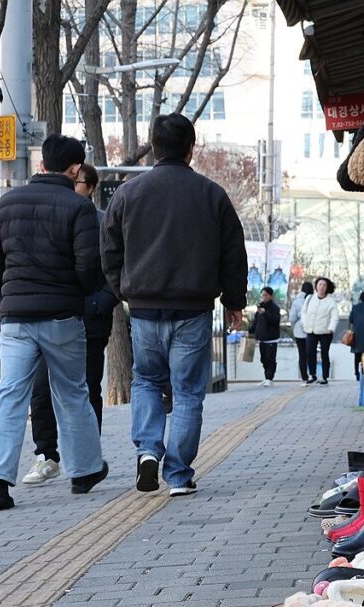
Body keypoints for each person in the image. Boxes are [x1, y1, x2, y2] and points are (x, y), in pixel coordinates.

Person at [101, 113, 246, 498]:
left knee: (146, 380)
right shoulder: (211, 194)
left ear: (153, 146)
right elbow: (234, 252)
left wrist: (123, 290)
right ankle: (178, 474)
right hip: (193, 308)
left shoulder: (128, 194)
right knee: (187, 391)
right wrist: (234, 302)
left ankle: (148, 450)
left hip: (145, 308)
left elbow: (109, 249)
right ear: (190, 148)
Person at [0, 135, 109, 510]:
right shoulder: (79, 208)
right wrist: (73, 292)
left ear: (41, 165)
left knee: (9, 395)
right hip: (61, 316)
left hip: (16, 317)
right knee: (71, 390)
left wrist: (12, 295)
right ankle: (85, 470)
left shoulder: (7, 203)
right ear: (74, 170)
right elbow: (89, 268)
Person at [22, 163, 119, 485]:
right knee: (41, 387)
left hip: (89, 318)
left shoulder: (102, 222)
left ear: (89, 187)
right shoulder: (52, 217)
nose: (70, 187)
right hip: (55, 314)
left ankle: (87, 458)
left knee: (87, 387)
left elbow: (115, 269)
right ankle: (46, 455)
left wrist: (98, 304)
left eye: (76, 183)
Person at [301, 277, 338, 385]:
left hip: (325, 332)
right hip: (311, 330)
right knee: (309, 352)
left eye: (324, 285)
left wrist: (331, 328)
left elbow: (334, 316)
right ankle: (312, 374)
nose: (321, 287)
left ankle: (325, 377)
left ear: (327, 288)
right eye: (320, 284)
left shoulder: (331, 302)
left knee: (324, 353)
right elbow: (304, 312)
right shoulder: (309, 298)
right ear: (316, 286)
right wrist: (305, 322)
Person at [250, 286, 280, 387]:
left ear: (270, 296)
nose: (263, 297)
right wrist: (250, 331)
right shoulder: (259, 307)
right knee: (263, 359)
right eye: (262, 295)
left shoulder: (274, 308)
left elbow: (275, 321)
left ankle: (269, 378)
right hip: (261, 338)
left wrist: (265, 313)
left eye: (265, 295)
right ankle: (266, 377)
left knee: (271, 358)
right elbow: (256, 322)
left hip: (271, 338)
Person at [289, 281, 313, 383]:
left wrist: (295, 326)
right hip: (312, 330)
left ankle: (304, 377)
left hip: (299, 331)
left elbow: (292, 317)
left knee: (302, 354)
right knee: (311, 353)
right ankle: (313, 374)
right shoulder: (314, 300)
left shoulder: (296, 301)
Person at [348, 291, 364, 381]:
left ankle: (357, 373)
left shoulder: (355, 307)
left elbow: (351, 319)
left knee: (357, 354)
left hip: (357, 333)